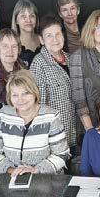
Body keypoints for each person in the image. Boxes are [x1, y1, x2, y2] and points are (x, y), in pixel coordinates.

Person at [0, 70, 70, 174]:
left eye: (26, 93)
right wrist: (12, 170)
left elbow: (61, 154)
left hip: (43, 178)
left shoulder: (51, 116)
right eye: (15, 95)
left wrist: (36, 170)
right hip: (10, 176)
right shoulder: (2, 115)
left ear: (35, 92)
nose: (20, 99)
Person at [30, 16, 77, 149]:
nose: (55, 39)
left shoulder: (72, 59)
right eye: (49, 36)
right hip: (55, 137)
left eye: (58, 34)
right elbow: (38, 107)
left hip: (76, 132)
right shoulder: (38, 64)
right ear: (41, 40)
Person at [0, 29, 27, 106]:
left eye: (14, 46)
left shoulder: (27, 70)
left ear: (19, 49)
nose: (10, 51)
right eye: (5, 46)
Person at [11, 0, 40, 66]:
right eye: (23, 16)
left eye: (32, 16)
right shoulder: (12, 45)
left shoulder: (45, 40)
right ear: (16, 21)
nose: (28, 20)